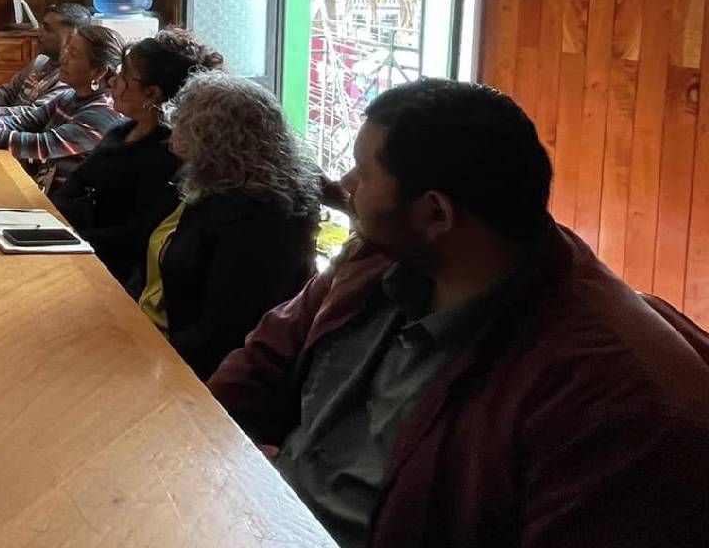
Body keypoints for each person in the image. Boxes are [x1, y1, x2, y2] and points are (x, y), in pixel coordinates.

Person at [210, 80, 709, 548]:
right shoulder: (378, 258)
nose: (345, 182)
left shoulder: (608, 398)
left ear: (435, 214)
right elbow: (259, 366)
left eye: (364, 172)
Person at [132, 72, 319, 380]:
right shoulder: (209, 182)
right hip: (154, 336)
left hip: (194, 372)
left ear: (214, 134)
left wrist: (137, 354)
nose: (171, 124)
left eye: (182, 118)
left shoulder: (262, 216)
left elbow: (222, 335)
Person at [49, 28, 223, 283]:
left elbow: (136, 236)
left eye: (124, 76)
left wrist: (68, 237)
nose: (112, 81)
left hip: (107, 272)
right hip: (70, 245)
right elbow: (74, 186)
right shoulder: (122, 130)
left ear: (151, 94)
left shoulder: (169, 154)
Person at [0, 23, 127, 186]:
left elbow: (44, 145)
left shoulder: (103, 113)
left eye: (73, 54)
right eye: (66, 49)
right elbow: (25, 121)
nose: (63, 58)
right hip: (40, 189)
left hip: (66, 209)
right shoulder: (69, 96)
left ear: (99, 71)